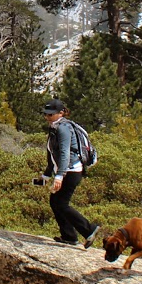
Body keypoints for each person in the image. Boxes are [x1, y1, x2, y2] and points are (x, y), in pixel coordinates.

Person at [40, 98, 98, 247]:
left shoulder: (63, 128)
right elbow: (52, 153)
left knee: (61, 203)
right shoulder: (55, 126)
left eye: (50, 115)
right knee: (55, 202)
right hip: (66, 170)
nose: (47, 117)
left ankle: (89, 229)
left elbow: (65, 153)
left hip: (71, 171)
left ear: (61, 113)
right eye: (46, 114)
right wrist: (47, 174)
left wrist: (59, 175)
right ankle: (69, 236)